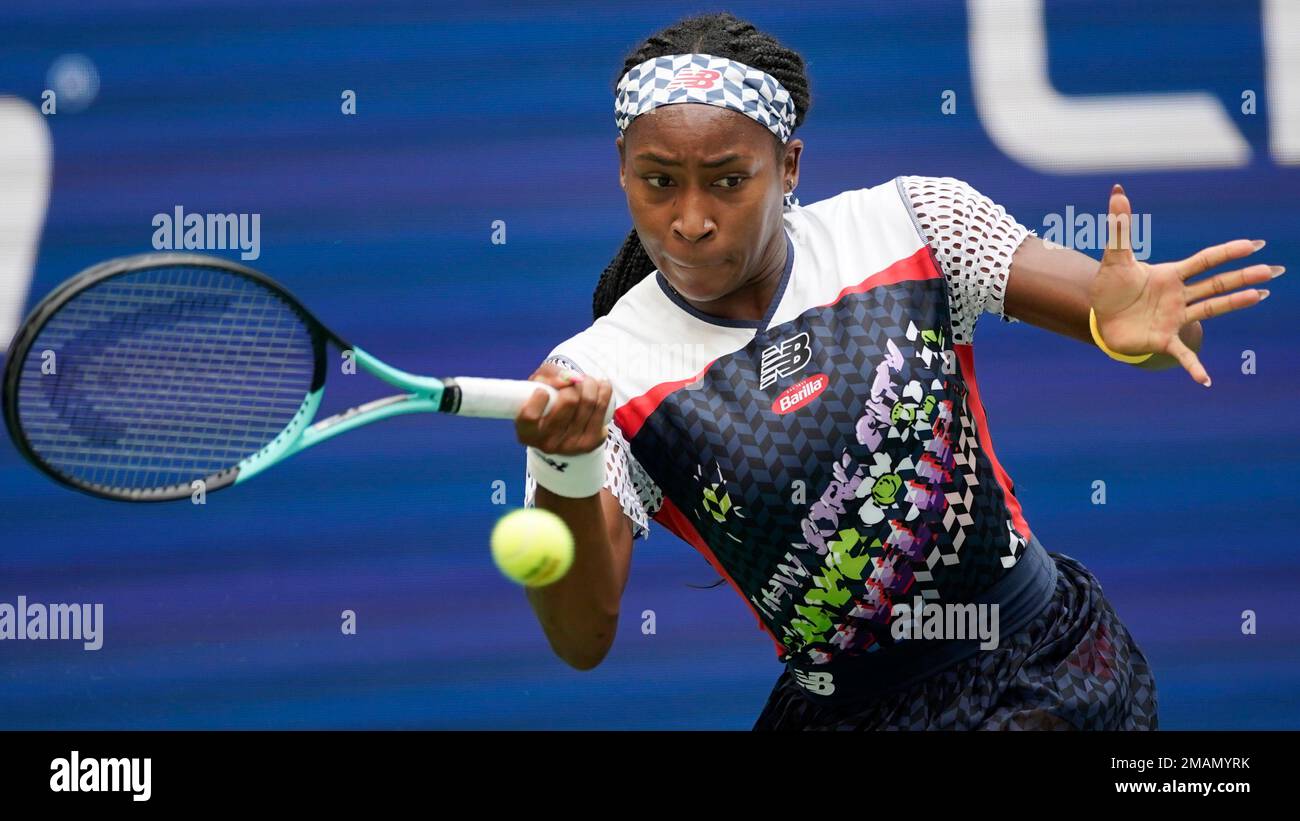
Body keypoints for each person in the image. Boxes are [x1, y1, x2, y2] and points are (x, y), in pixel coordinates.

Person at [513, 12, 1279, 730]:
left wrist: (1133, 329)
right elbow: (582, 636)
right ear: (621, 170)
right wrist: (563, 465)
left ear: (788, 165)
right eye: (657, 181)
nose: (690, 219)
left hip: (1041, 670)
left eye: (726, 179)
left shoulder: (913, 222)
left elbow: (1149, 334)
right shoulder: (593, 376)